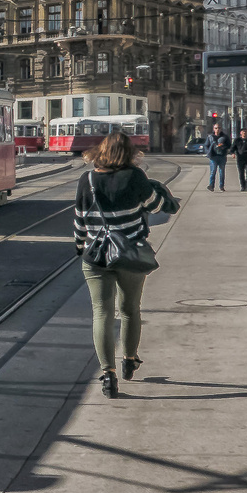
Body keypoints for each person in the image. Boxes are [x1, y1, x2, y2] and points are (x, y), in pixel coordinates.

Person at [74, 130, 178, 399]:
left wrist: (80, 246)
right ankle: (129, 359)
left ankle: (107, 373)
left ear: (101, 152)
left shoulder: (87, 179)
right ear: (130, 153)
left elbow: (80, 219)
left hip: (95, 256)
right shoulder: (135, 177)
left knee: (102, 313)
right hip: (130, 253)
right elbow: (156, 207)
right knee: (130, 309)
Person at [203, 122, 231, 191]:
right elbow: (206, 145)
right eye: (216, 128)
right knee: (213, 172)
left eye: (219, 128)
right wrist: (208, 152)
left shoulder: (224, 137)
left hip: (222, 156)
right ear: (214, 129)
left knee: (222, 172)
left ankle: (221, 186)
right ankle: (211, 186)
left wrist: (223, 147)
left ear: (221, 129)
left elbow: (229, 145)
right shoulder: (210, 137)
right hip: (213, 157)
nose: (217, 129)